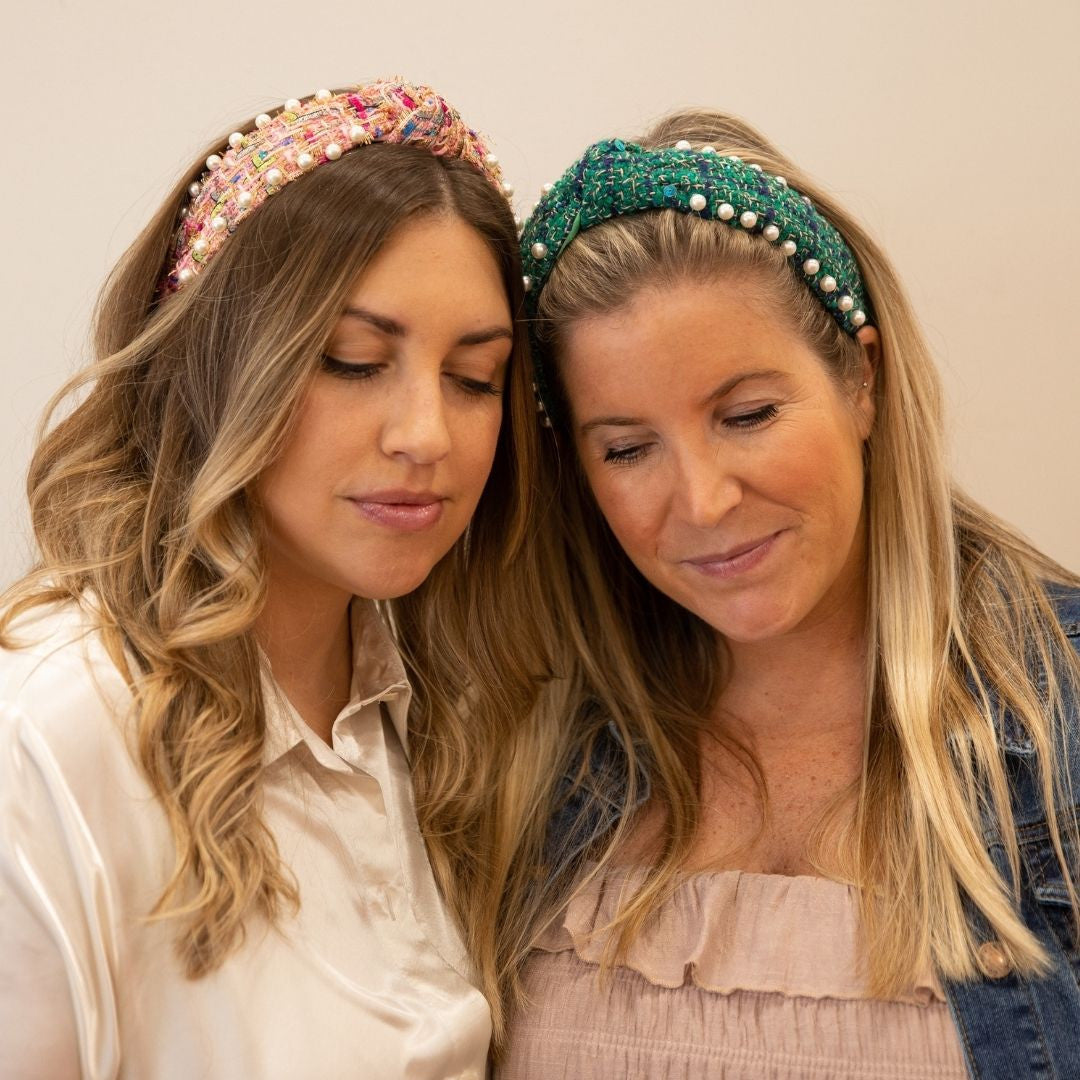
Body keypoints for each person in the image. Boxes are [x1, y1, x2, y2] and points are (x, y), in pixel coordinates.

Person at [452, 112, 1080, 1077]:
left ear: (861, 378)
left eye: (747, 415)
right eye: (627, 448)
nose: (703, 501)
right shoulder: (514, 749)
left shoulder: (1060, 709)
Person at [0, 78, 542, 1079]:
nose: (427, 435)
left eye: (475, 379)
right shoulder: (52, 731)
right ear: (219, 364)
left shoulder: (451, 715)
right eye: (353, 360)